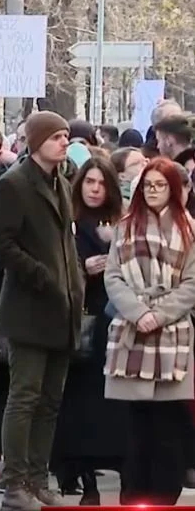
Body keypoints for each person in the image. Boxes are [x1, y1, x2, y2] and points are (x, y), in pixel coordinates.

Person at [0, 111, 85, 510]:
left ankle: (38, 478)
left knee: (50, 400)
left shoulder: (61, 181)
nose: (64, 142)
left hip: (63, 306)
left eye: (66, 135)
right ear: (36, 140)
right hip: (30, 307)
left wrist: (74, 280)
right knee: (24, 396)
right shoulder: (14, 184)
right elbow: (1, 245)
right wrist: (43, 276)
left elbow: (65, 239)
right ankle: (15, 485)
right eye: (57, 136)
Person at [104, 157, 195, 506]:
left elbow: (190, 283)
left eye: (160, 185)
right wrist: (138, 311)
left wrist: (160, 314)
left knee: (168, 427)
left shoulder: (189, 229)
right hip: (131, 333)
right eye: (147, 185)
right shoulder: (126, 226)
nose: (153, 191)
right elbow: (114, 275)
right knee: (136, 426)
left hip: (173, 336)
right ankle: (134, 496)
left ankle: (163, 497)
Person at [50, 156, 127, 505]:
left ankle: (123, 471)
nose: (95, 190)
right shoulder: (70, 223)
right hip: (82, 323)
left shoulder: (122, 224)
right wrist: (82, 269)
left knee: (116, 406)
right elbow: (55, 269)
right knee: (80, 406)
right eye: (89, 183)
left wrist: (114, 252)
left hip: (117, 322)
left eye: (101, 183)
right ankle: (83, 480)